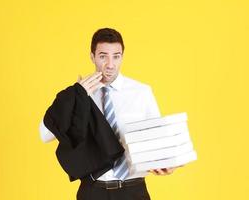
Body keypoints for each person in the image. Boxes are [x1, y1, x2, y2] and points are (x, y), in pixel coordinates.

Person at [39, 28, 181, 200]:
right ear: (92, 57)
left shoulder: (141, 92)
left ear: (122, 56)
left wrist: (166, 163)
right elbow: (45, 134)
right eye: (103, 56)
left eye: (116, 56)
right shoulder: (78, 95)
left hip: (133, 191)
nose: (110, 64)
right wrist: (74, 96)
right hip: (93, 191)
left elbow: (158, 143)